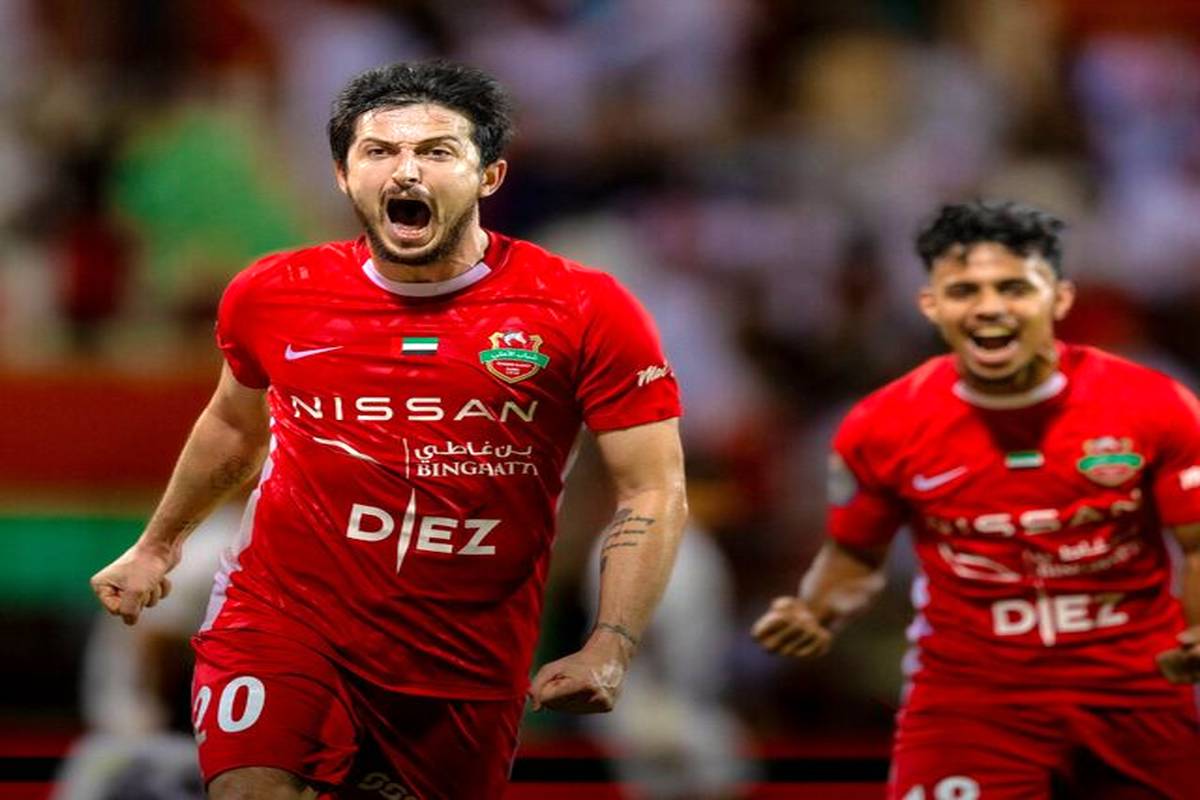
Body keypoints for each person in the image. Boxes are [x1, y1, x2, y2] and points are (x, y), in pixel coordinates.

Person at [89, 60, 687, 800]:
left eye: (436, 152)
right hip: (283, 621)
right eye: (379, 151)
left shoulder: (585, 310)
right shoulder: (272, 294)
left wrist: (610, 644)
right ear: (344, 176)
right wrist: (156, 547)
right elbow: (233, 426)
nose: (406, 172)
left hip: (464, 658)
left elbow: (651, 488)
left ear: (489, 176)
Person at [752, 200, 1200, 799]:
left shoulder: (1156, 406)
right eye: (965, 291)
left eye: (1014, 288)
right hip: (972, 700)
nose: (989, 309)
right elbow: (855, 554)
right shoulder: (882, 426)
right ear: (933, 304)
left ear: (1059, 299)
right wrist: (816, 609)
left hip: (1133, 694)